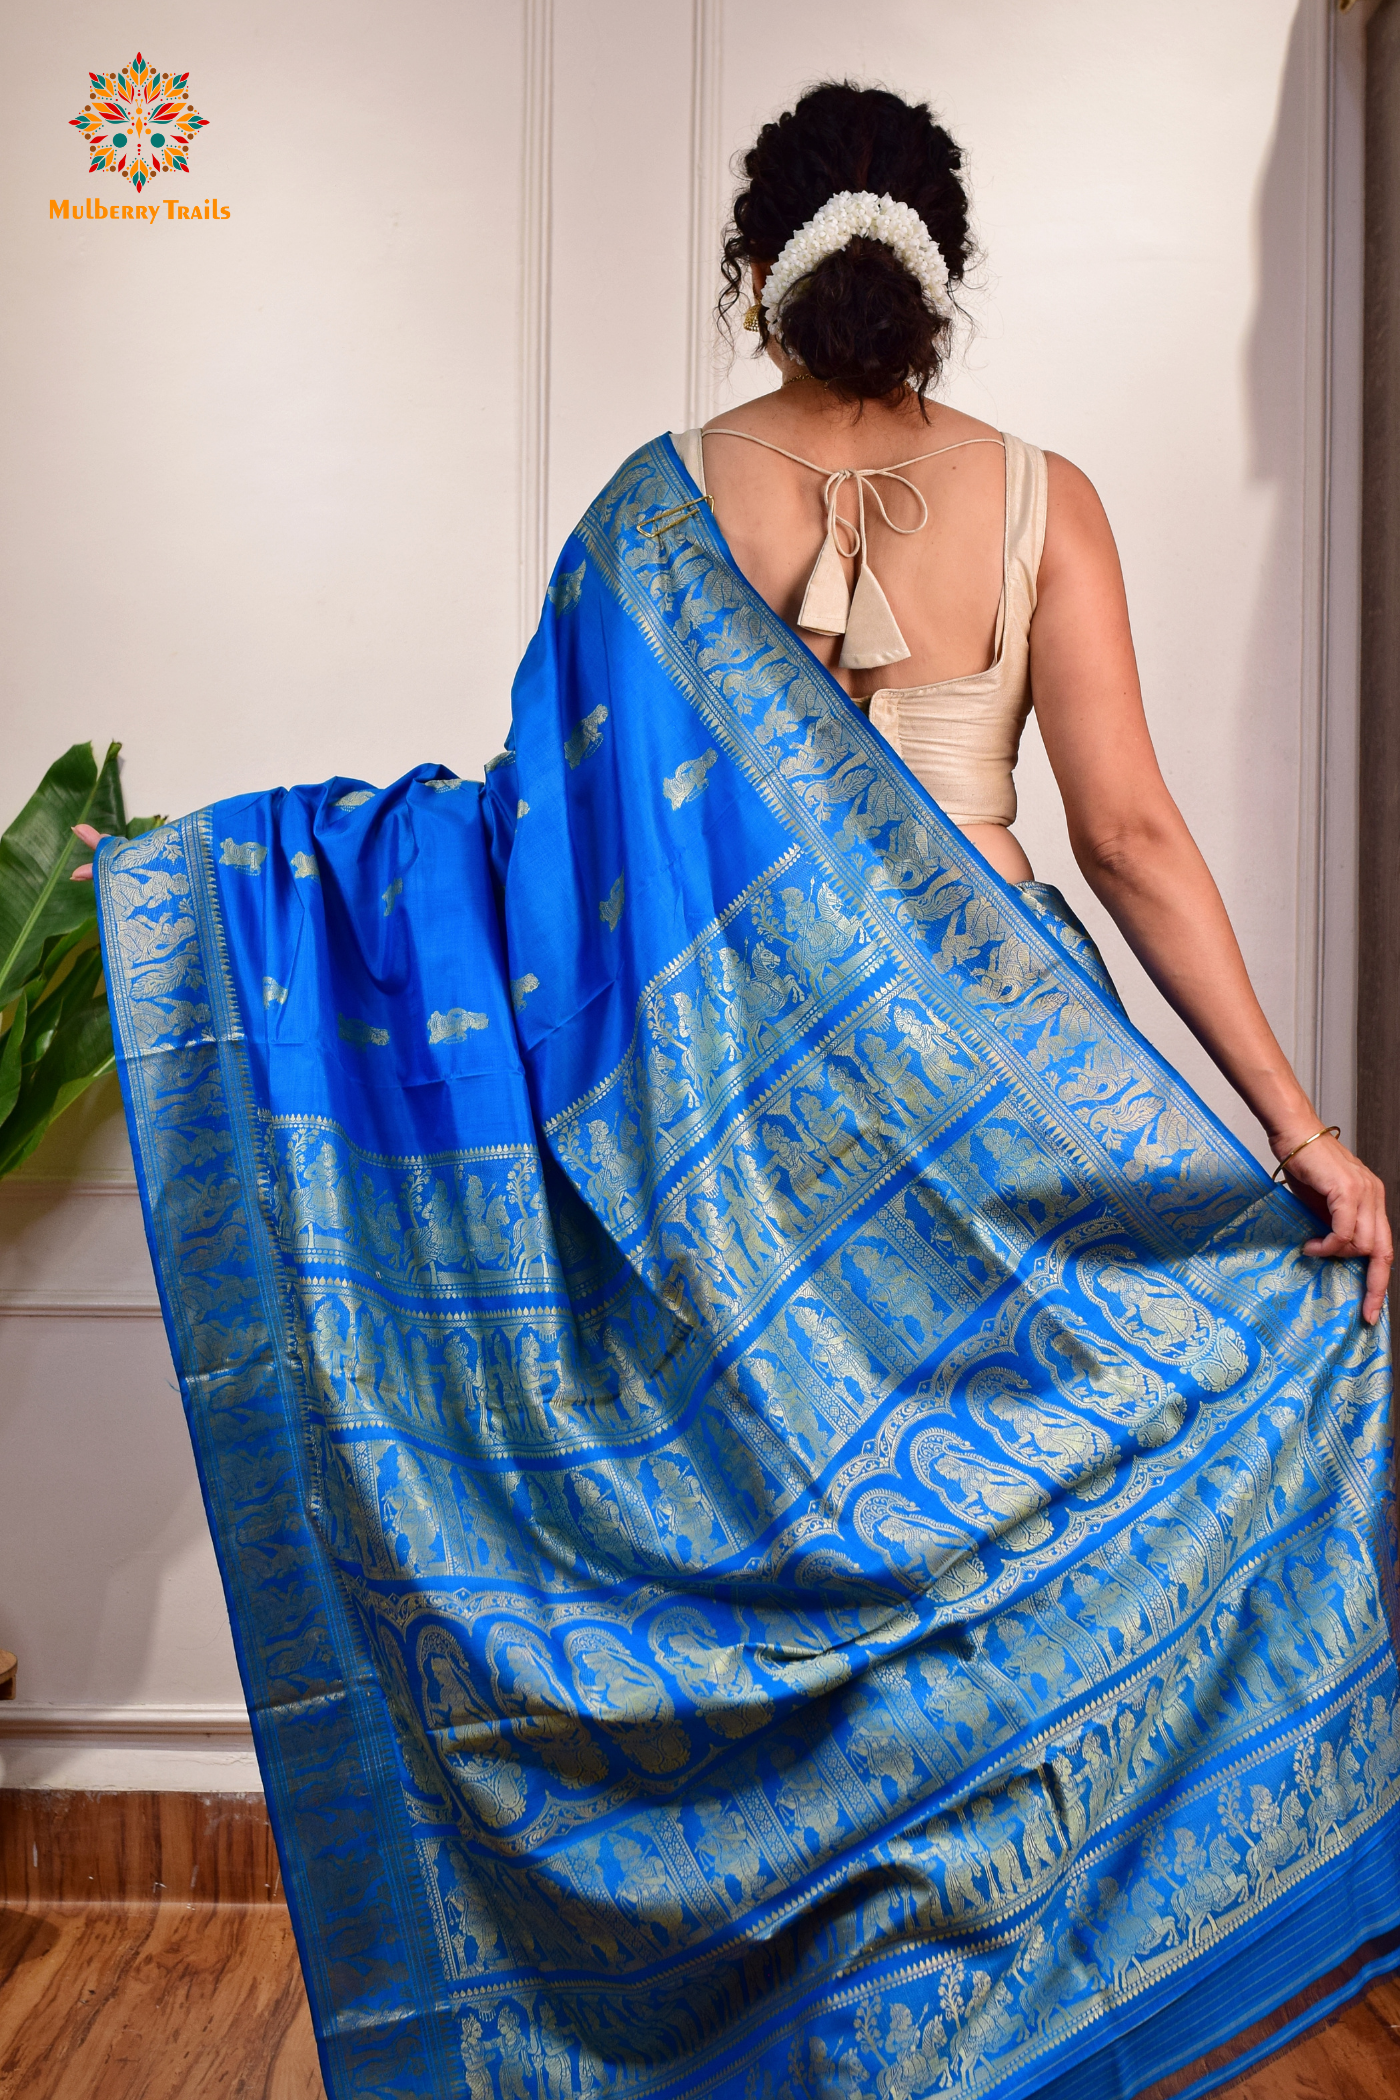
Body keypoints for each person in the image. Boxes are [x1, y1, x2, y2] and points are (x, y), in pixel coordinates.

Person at [90, 79, 1398, 2100]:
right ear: (942, 279)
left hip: (746, 1174)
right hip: (1004, 1133)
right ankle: (978, 2020)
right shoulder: (1043, 495)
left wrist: (230, 883)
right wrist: (1304, 1146)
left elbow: (529, 868)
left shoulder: (659, 510)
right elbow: (1128, 836)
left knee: (800, 1606)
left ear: (751, 269)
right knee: (979, 1595)